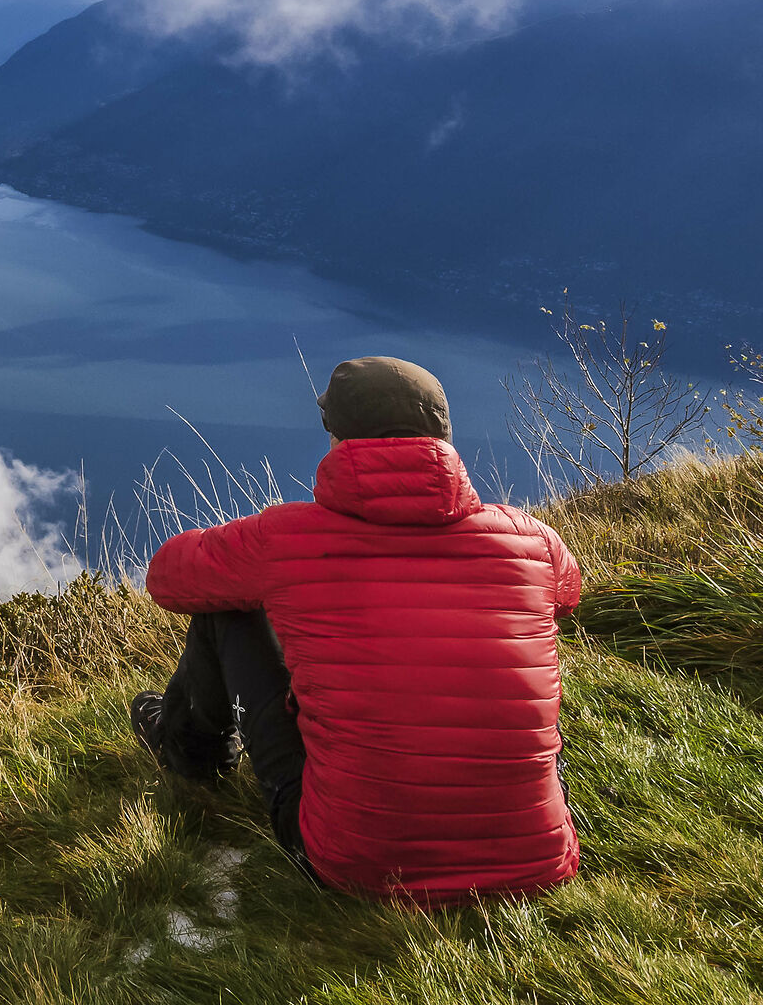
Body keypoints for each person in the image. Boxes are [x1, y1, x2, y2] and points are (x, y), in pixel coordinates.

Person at [132, 355, 581, 905]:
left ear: (338, 440)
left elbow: (169, 579)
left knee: (225, 606)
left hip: (355, 864)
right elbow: (567, 594)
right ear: (442, 438)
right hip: (535, 861)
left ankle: (191, 752)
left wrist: (271, 572)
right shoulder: (529, 540)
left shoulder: (285, 539)